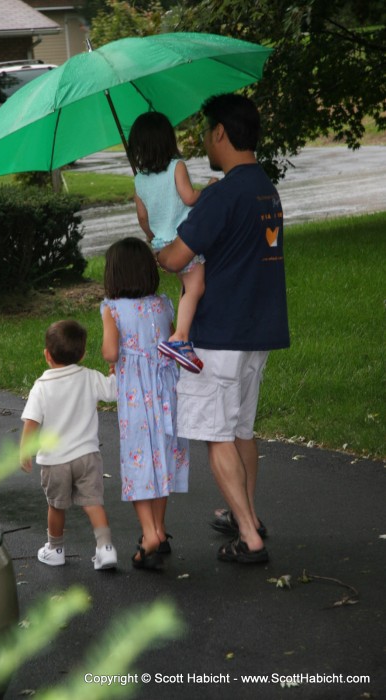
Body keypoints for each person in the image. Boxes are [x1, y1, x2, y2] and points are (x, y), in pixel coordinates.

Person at [157, 94, 290, 564]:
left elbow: (175, 258)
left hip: (220, 336)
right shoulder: (263, 188)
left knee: (217, 437)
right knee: (240, 430)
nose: (204, 141)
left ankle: (250, 538)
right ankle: (246, 514)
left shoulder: (223, 194)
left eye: (207, 131)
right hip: (257, 331)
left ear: (220, 133)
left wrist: (156, 242)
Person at [101, 237, 189, 570]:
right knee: (162, 457)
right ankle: (160, 530)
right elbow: (166, 340)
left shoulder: (111, 308)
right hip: (167, 390)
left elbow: (111, 352)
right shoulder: (164, 303)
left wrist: (114, 357)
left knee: (139, 459)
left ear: (114, 275)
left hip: (137, 396)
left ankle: (149, 534)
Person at [20, 319, 118, 570]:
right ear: (83, 354)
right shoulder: (89, 377)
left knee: (56, 505)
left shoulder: (41, 387)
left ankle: (55, 549)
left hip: (55, 461)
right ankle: (105, 547)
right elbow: (113, 392)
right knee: (93, 502)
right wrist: (114, 372)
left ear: (46, 355)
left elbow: (31, 422)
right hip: (87, 455)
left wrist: (25, 451)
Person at [128, 111, 216, 374]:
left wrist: (152, 236)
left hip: (161, 246)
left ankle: (183, 332)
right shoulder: (176, 166)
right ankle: (180, 338)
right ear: (168, 139)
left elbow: (142, 217)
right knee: (197, 286)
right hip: (184, 241)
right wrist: (209, 189)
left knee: (187, 286)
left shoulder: (139, 179)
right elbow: (189, 198)